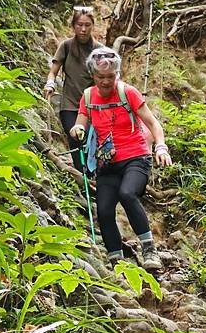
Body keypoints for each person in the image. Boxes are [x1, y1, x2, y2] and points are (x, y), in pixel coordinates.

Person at [70, 47, 172, 271]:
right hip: (107, 162)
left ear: (117, 74)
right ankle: (117, 261)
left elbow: (154, 123)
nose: (106, 82)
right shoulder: (88, 97)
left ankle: (149, 249)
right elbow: (80, 122)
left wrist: (161, 147)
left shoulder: (128, 93)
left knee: (127, 194)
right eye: (100, 77)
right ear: (92, 75)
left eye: (110, 77)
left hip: (136, 157)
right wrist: (77, 129)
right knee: (104, 210)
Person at [43, 6, 103, 172]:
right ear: (73, 26)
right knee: (75, 138)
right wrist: (50, 83)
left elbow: (107, 77)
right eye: (79, 25)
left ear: (93, 26)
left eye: (87, 25)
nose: (83, 29)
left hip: (92, 105)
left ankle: (93, 175)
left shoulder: (99, 50)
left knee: (91, 142)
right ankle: (82, 176)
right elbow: (53, 71)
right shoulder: (66, 46)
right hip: (69, 105)